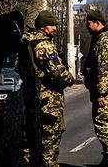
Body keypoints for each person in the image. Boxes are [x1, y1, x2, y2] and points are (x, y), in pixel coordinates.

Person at [16, 10, 75, 167]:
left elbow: (19, 69)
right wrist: (71, 79)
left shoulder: (26, 44)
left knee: (29, 143)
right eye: (52, 25)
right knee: (50, 144)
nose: (55, 28)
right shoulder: (45, 45)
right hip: (48, 101)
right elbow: (57, 71)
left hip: (30, 98)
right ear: (44, 26)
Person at [82, 9, 108, 167]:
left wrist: (101, 93)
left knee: (101, 123)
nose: (87, 27)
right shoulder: (102, 37)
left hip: (106, 91)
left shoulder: (105, 40)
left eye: (89, 24)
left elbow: (104, 68)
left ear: (97, 23)